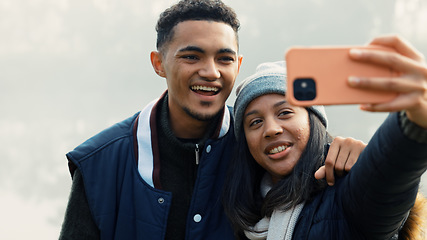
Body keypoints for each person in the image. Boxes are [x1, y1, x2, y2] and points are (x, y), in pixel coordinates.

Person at [59, 0, 366, 239]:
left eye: (224, 58)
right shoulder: (100, 163)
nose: (211, 72)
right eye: (191, 57)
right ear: (158, 63)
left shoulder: (259, 142)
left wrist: (360, 158)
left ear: (239, 64)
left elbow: (318, 163)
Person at [223, 35, 427, 240]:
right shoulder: (240, 217)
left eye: (285, 113)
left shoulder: (347, 189)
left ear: (314, 121)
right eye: (255, 122)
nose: (271, 129)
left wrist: (415, 118)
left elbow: (390, 173)